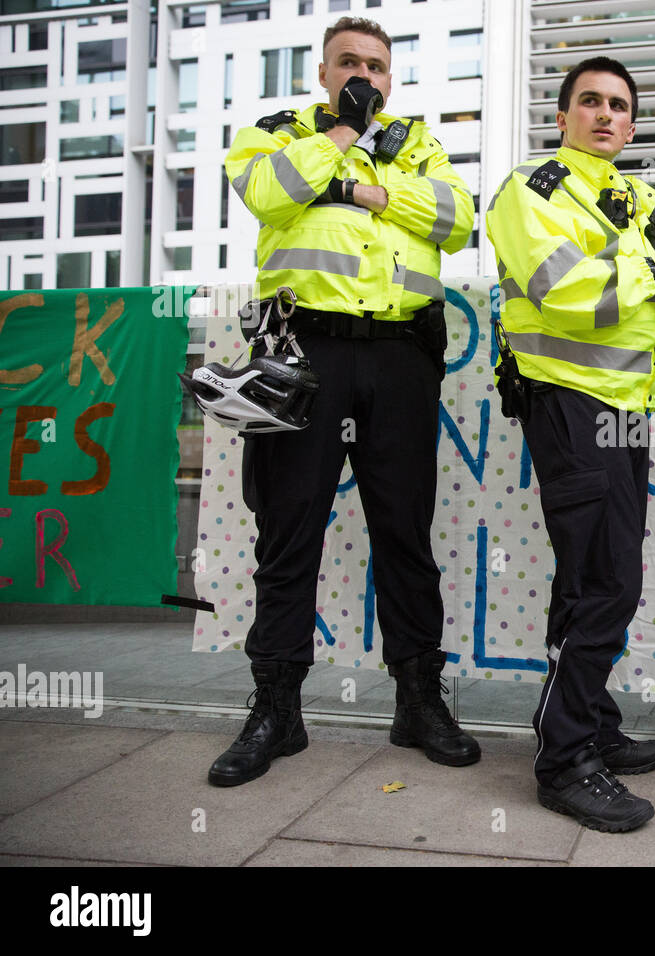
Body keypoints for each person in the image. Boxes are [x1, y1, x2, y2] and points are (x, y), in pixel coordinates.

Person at [208, 16, 479, 787]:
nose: (364, 75)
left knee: (405, 533)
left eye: (377, 66)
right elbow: (268, 195)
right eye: (349, 63)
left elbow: (458, 221)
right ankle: (276, 711)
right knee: (289, 530)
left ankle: (419, 700)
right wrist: (340, 137)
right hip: (306, 355)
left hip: (400, 355)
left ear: (393, 78)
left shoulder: (421, 142)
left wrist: (362, 186)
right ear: (324, 72)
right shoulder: (275, 134)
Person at [484, 55, 655, 832]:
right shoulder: (534, 187)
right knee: (610, 582)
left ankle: (590, 724)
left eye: (619, 106)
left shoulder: (632, 203)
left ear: (632, 125)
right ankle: (565, 758)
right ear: (565, 115)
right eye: (591, 102)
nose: (606, 114)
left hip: (626, 409)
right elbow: (563, 290)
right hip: (572, 405)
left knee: (591, 576)